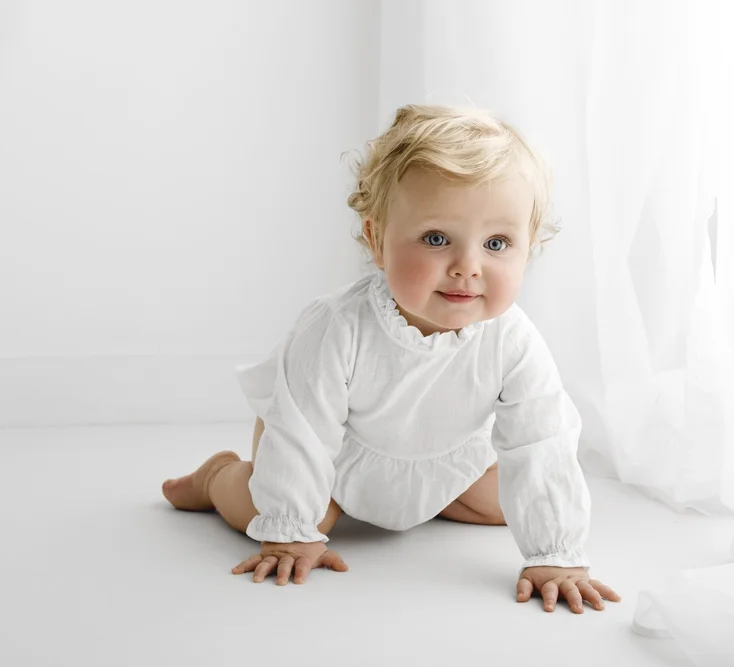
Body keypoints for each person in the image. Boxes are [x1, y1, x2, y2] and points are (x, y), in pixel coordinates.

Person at [161, 104, 620, 614]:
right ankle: (217, 477)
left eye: (497, 243)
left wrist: (555, 553)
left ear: (528, 249)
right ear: (377, 240)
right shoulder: (339, 326)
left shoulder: (513, 339)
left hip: (442, 461)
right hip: (333, 458)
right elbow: (303, 429)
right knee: (288, 512)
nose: (467, 267)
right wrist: (290, 528)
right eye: (436, 239)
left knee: (503, 504)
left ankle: (420, 499)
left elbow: (541, 440)